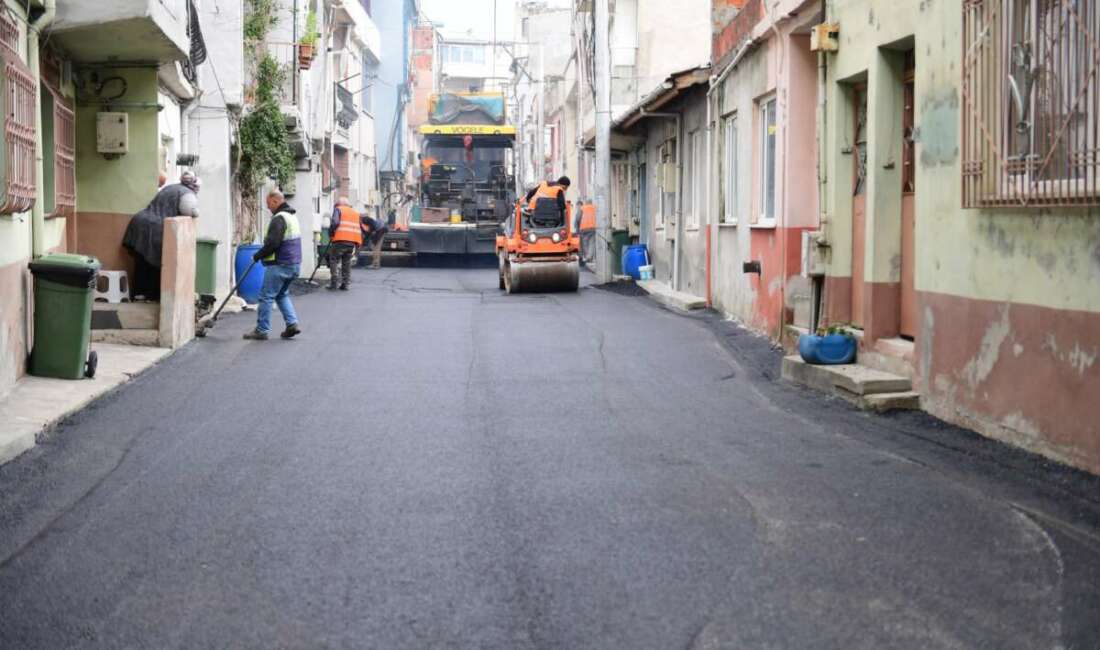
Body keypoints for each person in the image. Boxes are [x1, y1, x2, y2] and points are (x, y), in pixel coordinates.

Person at [123, 171, 201, 301]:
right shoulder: (187, 194)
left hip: (139, 222)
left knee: (143, 262)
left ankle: (139, 294)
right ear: (194, 185)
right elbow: (189, 210)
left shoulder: (171, 187)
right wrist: (196, 212)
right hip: (155, 227)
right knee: (156, 262)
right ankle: (152, 296)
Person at [243, 190, 302, 341]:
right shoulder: (291, 216)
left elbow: (273, 243)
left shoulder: (279, 218)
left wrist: (258, 255)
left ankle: (262, 330)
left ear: (276, 201)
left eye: (269, 204)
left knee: (266, 296)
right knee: (281, 294)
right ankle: (292, 324)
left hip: (280, 264)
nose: (268, 207)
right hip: (294, 263)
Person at [326, 197, 368, 290]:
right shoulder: (355, 213)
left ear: (340, 204)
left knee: (334, 259)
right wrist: (358, 243)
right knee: (346, 262)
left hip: (340, 240)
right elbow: (362, 228)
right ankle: (345, 284)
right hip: (352, 242)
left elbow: (335, 222)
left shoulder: (338, 209)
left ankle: (334, 283)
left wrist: (331, 232)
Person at [578, 200, 597, 266]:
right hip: (592, 227)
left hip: (584, 228)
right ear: (591, 203)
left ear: (586, 203)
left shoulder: (583, 208)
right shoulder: (595, 208)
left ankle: (587, 257)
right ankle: (590, 257)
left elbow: (578, 218)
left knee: (585, 243)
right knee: (591, 243)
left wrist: (577, 227)